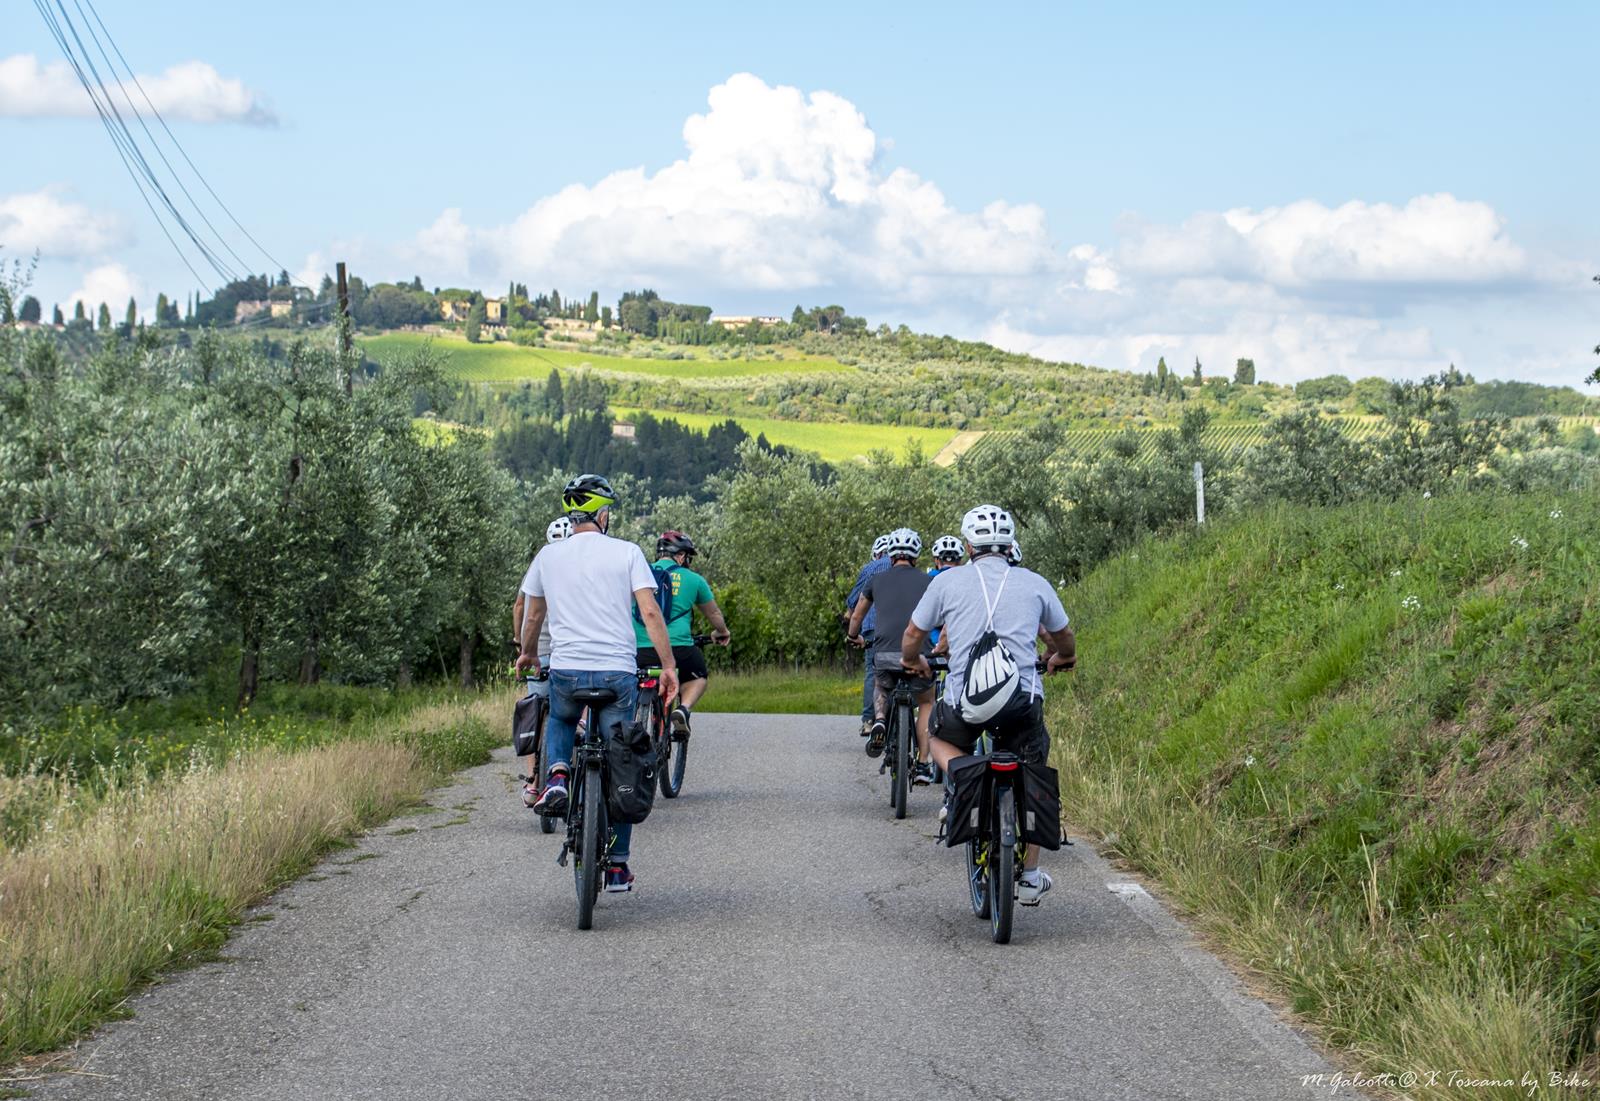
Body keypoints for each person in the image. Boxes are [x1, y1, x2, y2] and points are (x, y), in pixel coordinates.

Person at [902, 505, 1076, 906]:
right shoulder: (1034, 583)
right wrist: (1063, 658)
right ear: (1010, 544)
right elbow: (1063, 636)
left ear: (968, 546)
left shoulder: (948, 582)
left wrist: (914, 660)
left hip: (966, 701)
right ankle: (1030, 876)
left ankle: (964, 778)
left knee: (939, 737)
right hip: (1022, 700)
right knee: (1032, 772)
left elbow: (914, 632)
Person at [517, 474, 679, 894]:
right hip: (617, 673)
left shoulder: (547, 557)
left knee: (562, 720)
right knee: (621, 761)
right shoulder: (627, 553)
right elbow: (649, 612)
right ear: (602, 514)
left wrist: (528, 653)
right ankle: (619, 866)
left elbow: (532, 616)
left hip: (568, 670)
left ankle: (555, 776)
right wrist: (668, 666)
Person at [846, 528, 936, 784]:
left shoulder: (876, 579)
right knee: (927, 702)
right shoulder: (928, 582)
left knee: (881, 686)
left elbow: (857, 616)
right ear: (916, 555)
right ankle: (922, 765)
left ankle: (881, 720)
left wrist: (855, 637)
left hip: (884, 652)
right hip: (918, 657)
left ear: (891, 554)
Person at [633, 530, 732, 739]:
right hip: (678, 648)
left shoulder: (640, 573)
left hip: (639, 649)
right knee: (699, 677)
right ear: (680, 556)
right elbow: (713, 613)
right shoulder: (693, 579)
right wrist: (721, 632)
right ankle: (683, 709)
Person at [512, 516, 572, 807]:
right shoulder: (579, 564)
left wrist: (521, 644)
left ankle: (533, 785)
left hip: (538, 650)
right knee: (571, 711)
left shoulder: (541, 561)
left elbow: (521, 606)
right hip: (567, 651)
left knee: (534, 714)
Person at [846, 534, 894, 736]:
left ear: (876, 553)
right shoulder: (904, 568)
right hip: (899, 628)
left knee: (872, 672)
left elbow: (853, 600)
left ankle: (868, 720)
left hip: (873, 628)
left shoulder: (870, 569)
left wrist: (851, 629)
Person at [926, 534, 964, 651]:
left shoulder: (928, 578)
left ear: (937, 560)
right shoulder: (968, 579)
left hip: (934, 636)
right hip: (961, 635)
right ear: (959, 561)